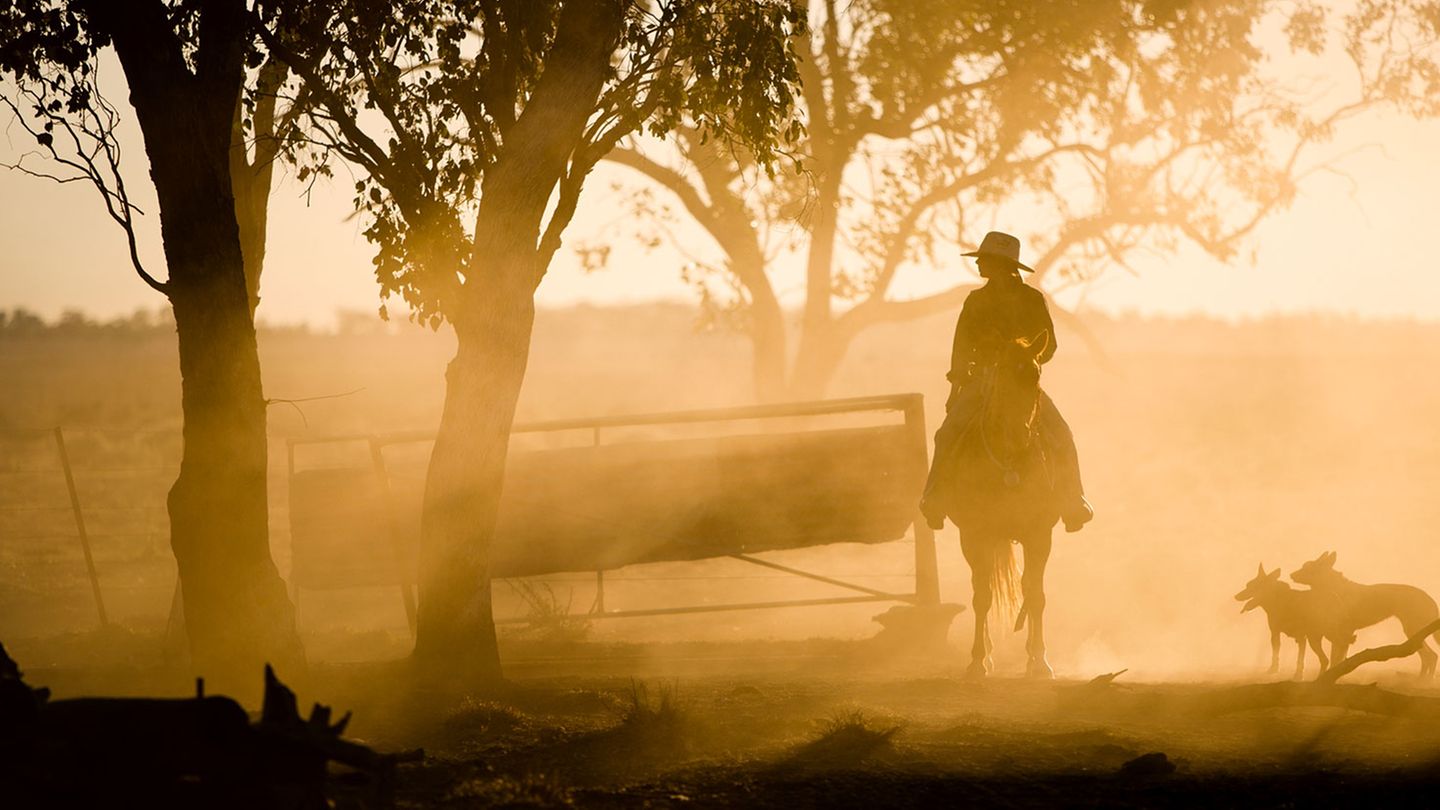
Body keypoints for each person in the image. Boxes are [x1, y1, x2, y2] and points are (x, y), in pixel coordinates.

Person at [923, 230, 1093, 532]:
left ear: (1000, 264)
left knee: (1061, 434)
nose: (979, 265)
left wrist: (1022, 363)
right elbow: (960, 348)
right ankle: (933, 498)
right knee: (946, 434)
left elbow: (1049, 345)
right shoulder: (975, 302)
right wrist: (956, 387)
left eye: (984, 260)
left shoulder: (1031, 300)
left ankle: (1073, 502)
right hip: (981, 383)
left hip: (1023, 384)